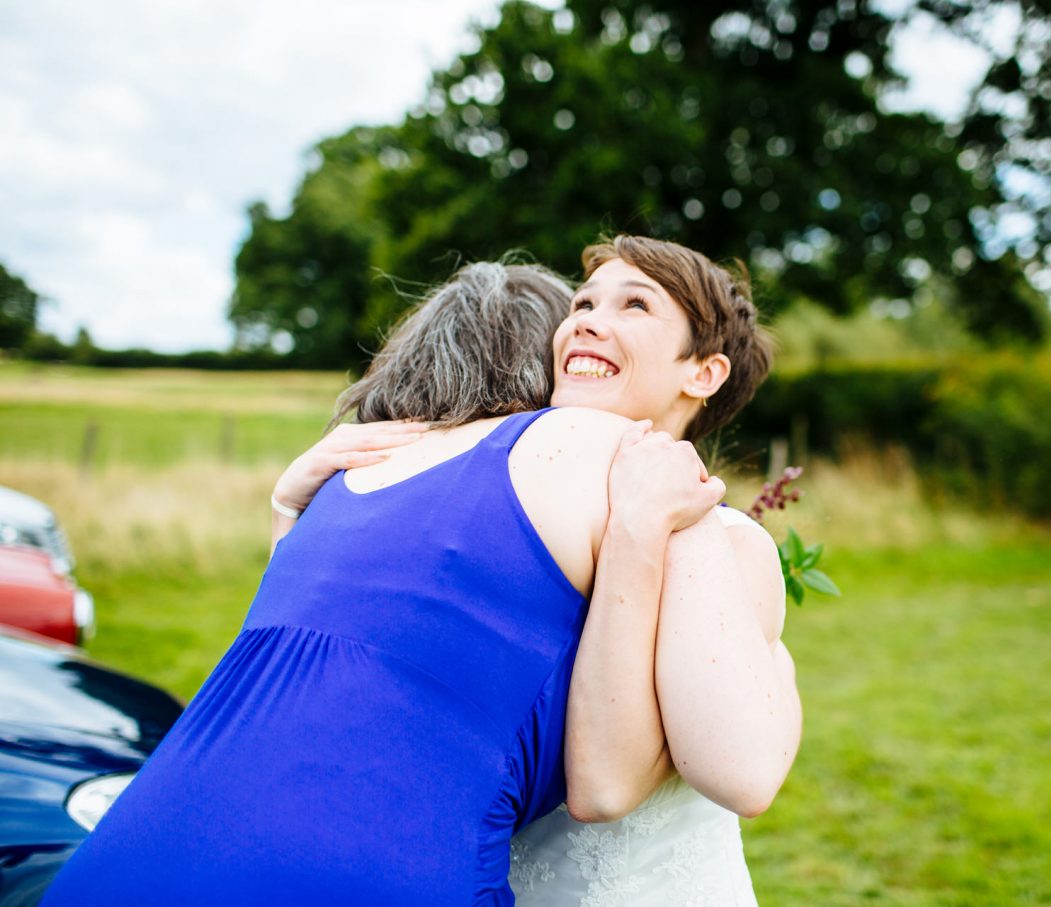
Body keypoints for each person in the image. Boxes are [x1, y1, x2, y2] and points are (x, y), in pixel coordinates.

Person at [40, 260, 746, 906]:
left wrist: (285, 509)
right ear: (541, 365)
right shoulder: (598, 454)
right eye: (580, 308)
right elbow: (630, 782)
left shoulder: (343, 482)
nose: (588, 330)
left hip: (125, 854)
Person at [267, 236, 799, 905]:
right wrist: (291, 511)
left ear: (704, 373)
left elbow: (712, 776)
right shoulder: (513, 524)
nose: (586, 321)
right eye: (582, 304)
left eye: (635, 305)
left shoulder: (725, 543)